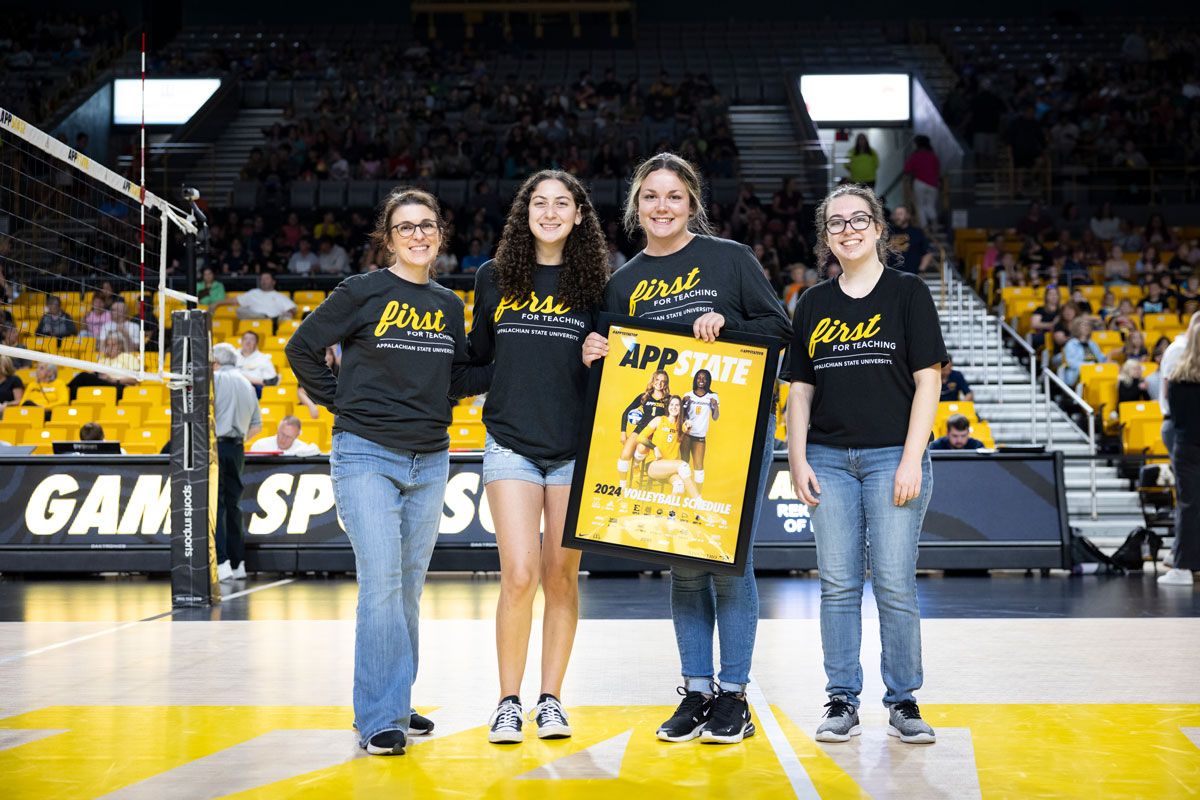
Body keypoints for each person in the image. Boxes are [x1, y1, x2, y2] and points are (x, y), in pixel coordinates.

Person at [581, 153, 792, 745]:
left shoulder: (731, 259)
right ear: (635, 206)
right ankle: (696, 690)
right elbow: (618, 372)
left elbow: (780, 333)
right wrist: (596, 351)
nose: (662, 206)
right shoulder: (621, 284)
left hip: (736, 437)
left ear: (692, 203)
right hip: (670, 439)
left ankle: (735, 695)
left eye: (674, 196)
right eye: (650, 196)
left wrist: (726, 321)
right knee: (682, 562)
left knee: (727, 562)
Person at [286, 188, 491, 757]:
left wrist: (520, 361)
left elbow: (455, 379)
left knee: (407, 590)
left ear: (440, 235)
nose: (418, 235)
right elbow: (302, 349)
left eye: (427, 225)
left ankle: (394, 700)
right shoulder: (362, 291)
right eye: (406, 228)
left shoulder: (450, 305)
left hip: (430, 458)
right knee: (381, 584)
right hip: (365, 454)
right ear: (389, 237)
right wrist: (343, 404)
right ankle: (379, 718)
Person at [784, 182, 946, 746]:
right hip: (827, 458)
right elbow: (799, 391)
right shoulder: (812, 302)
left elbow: (929, 382)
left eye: (858, 220)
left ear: (878, 227)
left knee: (896, 584)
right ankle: (841, 698)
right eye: (835, 223)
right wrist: (797, 456)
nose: (847, 230)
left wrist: (910, 460)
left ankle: (903, 699)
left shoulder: (908, 292)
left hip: (890, 460)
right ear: (825, 236)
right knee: (837, 585)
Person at [466, 170, 609, 744]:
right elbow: (476, 357)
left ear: (579, 216)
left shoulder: (600, 283)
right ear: (525, 212)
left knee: (561, 577)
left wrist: (606, 351)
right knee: (520, 575)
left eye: (562, 204)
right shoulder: (494, 277)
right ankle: (507, 701)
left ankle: (551, 700)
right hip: (511, 442)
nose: (550, 212)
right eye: (539, 203)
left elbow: (623, 370)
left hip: (575, 448)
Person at [211, 342, 261, 584]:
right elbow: (257, 426)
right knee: (234, 506)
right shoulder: (247, 384)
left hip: (216, 446)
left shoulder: (215, 378)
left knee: (217, 506)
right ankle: (238, 563)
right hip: (237, 448)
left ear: (216, 362)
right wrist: (239, 438)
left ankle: (221, 563)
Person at [1162, 322, 1200, 586]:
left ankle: (1183, 568)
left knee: (1188, 505)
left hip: (1186, 445)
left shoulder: (1176, 377)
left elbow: (1173, 416)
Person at [680, 368, 719, 487]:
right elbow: (681, 415)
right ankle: (682, 489)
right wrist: (684, 403)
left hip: (699, 436)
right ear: (695, 379)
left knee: (698, 467)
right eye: (699, 378)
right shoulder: (688, 395)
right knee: (684, 464)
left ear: (708, 381)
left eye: (704, 378)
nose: (701, 380)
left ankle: (697, 495)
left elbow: (715, 417)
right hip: (686, 434)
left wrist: (715, 406)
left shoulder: (713, 396)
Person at [903, 135, 940, 231]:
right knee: (930, 205)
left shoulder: (915, 156)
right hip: (933, 184)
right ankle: (934, 223)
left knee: (920, 205)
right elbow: (937, 170)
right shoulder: (933, 156)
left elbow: (907, 169)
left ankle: (924, 227)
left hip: (919, 182)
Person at [1059, 317, 1106, 387]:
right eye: (1083, 325)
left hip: (1095, 370)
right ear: (1076, 328)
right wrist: (1088, 365)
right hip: (1078, 373)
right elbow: (1071, 362)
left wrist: (1109, 361)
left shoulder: (1092, 344)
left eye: (1088, 325)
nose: (1086, 327)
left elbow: (1101, 359)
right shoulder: (1071, 344)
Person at [888, 206, 933, 275]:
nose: (897, 217)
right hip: (891, 276)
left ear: (907, 216)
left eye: (900, 214)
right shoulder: (888, 232)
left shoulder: (917, 232)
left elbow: (927, 254)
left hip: (911, 276)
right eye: (895, 214)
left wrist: (921, 270)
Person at [249, 415, 320, 456]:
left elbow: (315, 450)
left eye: (288, 437)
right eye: (282, 434)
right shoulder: (260, 445)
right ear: (278, 430)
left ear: (297, 436)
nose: (283, 439)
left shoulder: (303, 449)